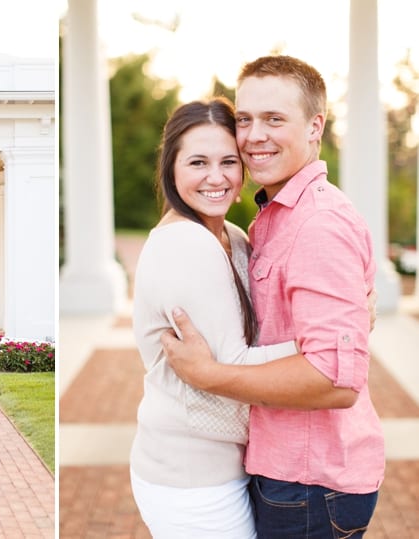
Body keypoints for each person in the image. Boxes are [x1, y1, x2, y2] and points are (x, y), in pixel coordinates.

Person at [160, 55, 384, 538]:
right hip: (289, 469)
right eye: (245, 119)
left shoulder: (317, 224)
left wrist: (209, 375)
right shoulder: (274, 217)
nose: (254, 135)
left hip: (311, 482)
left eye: (274, 119)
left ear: (314, 127)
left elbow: (335, 380)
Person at [130, 97, 297, 538]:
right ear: (171, 169)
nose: (216, 177)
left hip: (229, 466)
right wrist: (323, 342)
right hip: (190, 480)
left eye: (228, 161)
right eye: (198, 162)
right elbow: (235, 370)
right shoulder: (185, 243)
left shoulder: (233, 237)